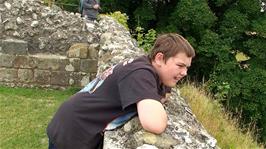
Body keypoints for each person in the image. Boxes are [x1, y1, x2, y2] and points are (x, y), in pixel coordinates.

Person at [46, 33, 195, 149]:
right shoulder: (141, 73)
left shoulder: (147, 67)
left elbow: (165, 91)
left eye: (187, 67)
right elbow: (154, 124)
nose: (184, 73)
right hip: (74, 129)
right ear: (159, 58)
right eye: (180, 65)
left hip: (76, 118)